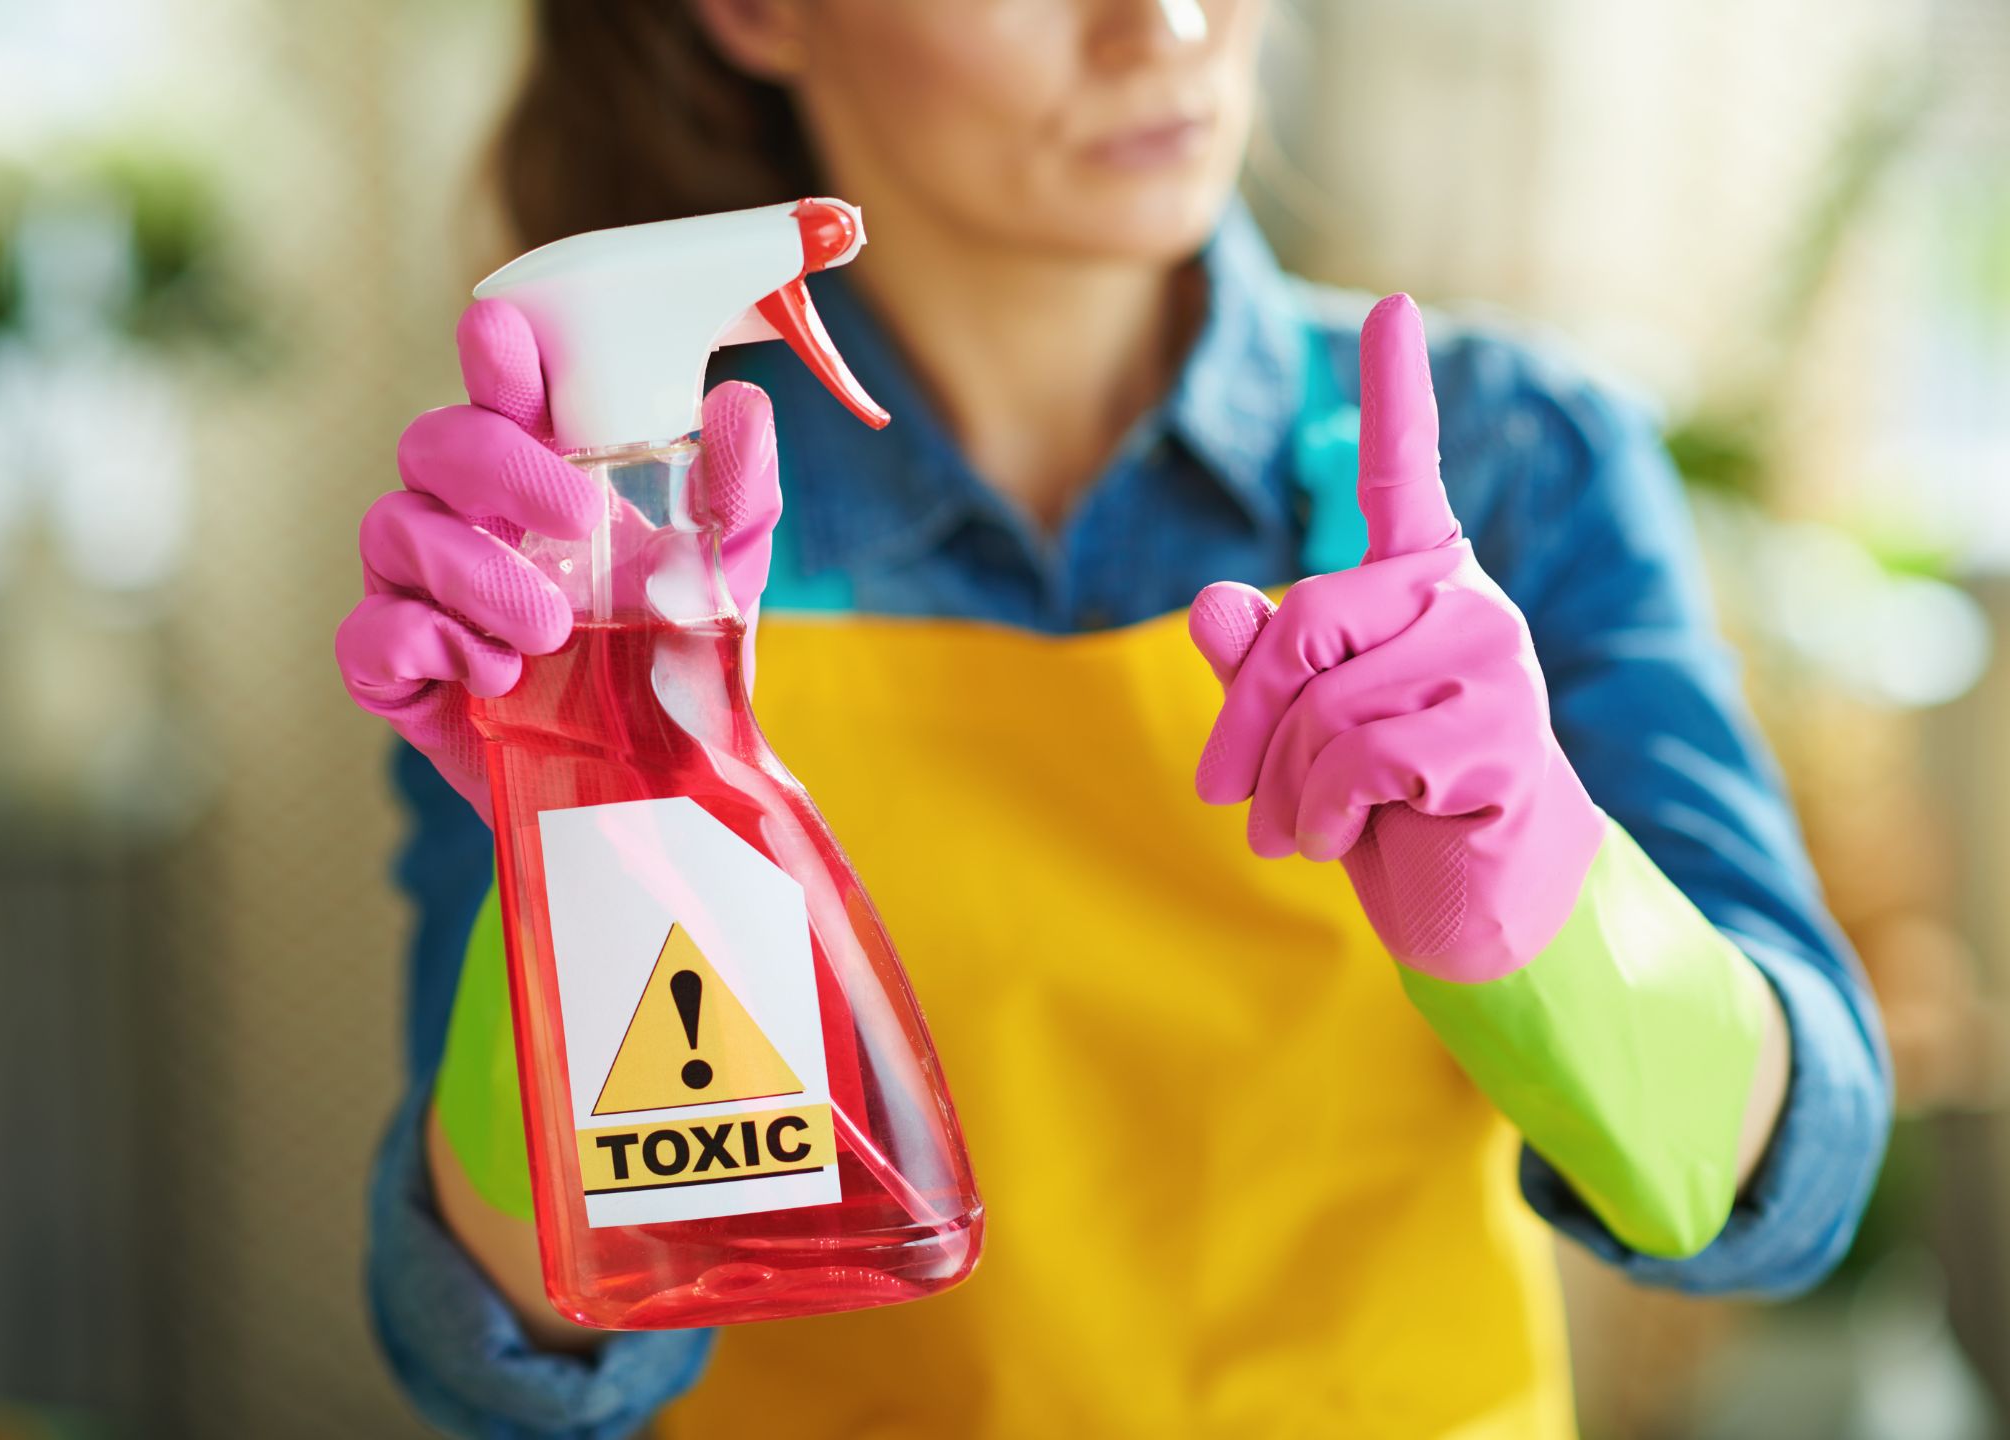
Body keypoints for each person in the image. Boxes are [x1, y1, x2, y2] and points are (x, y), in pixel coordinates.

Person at [335, 2, 1891, 1435]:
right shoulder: (590, 568)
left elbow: (1787, 1198)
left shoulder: (1516, 464)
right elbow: (511, 1370)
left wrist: (1557, 910)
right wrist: (582, 824)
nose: (1169, 27)